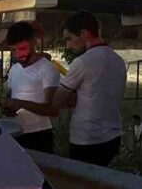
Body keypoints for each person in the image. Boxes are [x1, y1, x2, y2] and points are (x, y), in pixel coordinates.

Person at [50, 11, 127, 167]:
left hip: (86, 139)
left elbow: (57, 100)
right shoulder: (118, 61)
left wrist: (73, 97)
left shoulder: (83, 63)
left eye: (69, 39)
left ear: (84, 34)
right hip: (113, 136)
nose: (68, 45)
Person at [0, 21, 60, 154]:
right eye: (14, 50)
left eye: (22, 48)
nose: (18, 54)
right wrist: (7, 108)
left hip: (39, 135)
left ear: (33, 42)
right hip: (14, 133)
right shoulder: (14, 69)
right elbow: (11, 98)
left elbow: (53, 110)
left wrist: (20, 104)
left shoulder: (47, 69)